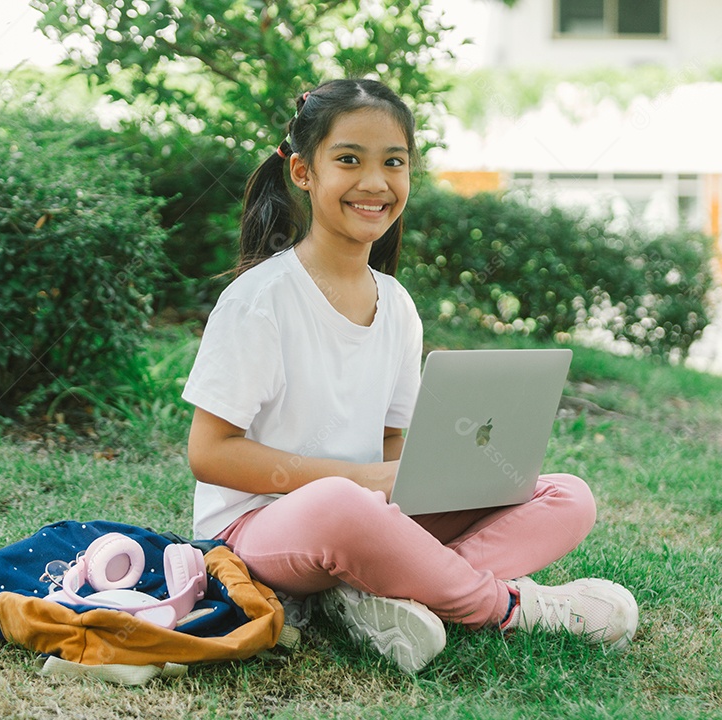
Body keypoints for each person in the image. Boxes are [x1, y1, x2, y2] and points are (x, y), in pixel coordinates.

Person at [182, 78, 638, 674]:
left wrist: (433, 477)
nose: (375, 182)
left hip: (372, 514)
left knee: (566, 496)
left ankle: (375, 593)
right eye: (349, 159)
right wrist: (363, 480)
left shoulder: (396, 305)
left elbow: (396, 443)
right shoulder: (261, 299)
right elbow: (210, 454)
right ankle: (505, 606)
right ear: (302, 172)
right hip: (259, 530)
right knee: (344, 506)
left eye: (393, 163)